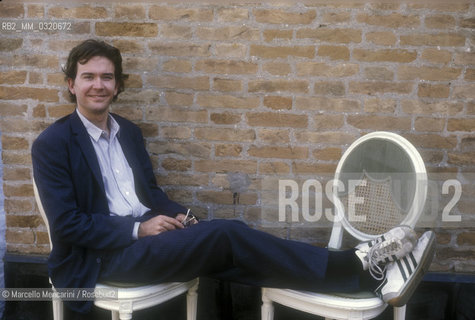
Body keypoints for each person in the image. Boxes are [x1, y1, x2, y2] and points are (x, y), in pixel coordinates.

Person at [31, 39, 435, 319]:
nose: (98, 85)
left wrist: (183, 218)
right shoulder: (52, 144)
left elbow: (150, 194)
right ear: (72, 84)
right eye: (88, 77)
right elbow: (68, 225)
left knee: (227, 239)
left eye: (106, 77)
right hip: (103, 259)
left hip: (145, 241)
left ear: (118, 85)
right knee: (225, 236)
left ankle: (356, 277)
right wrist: (139, 229)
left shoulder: (129, 133)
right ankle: (360, 267)